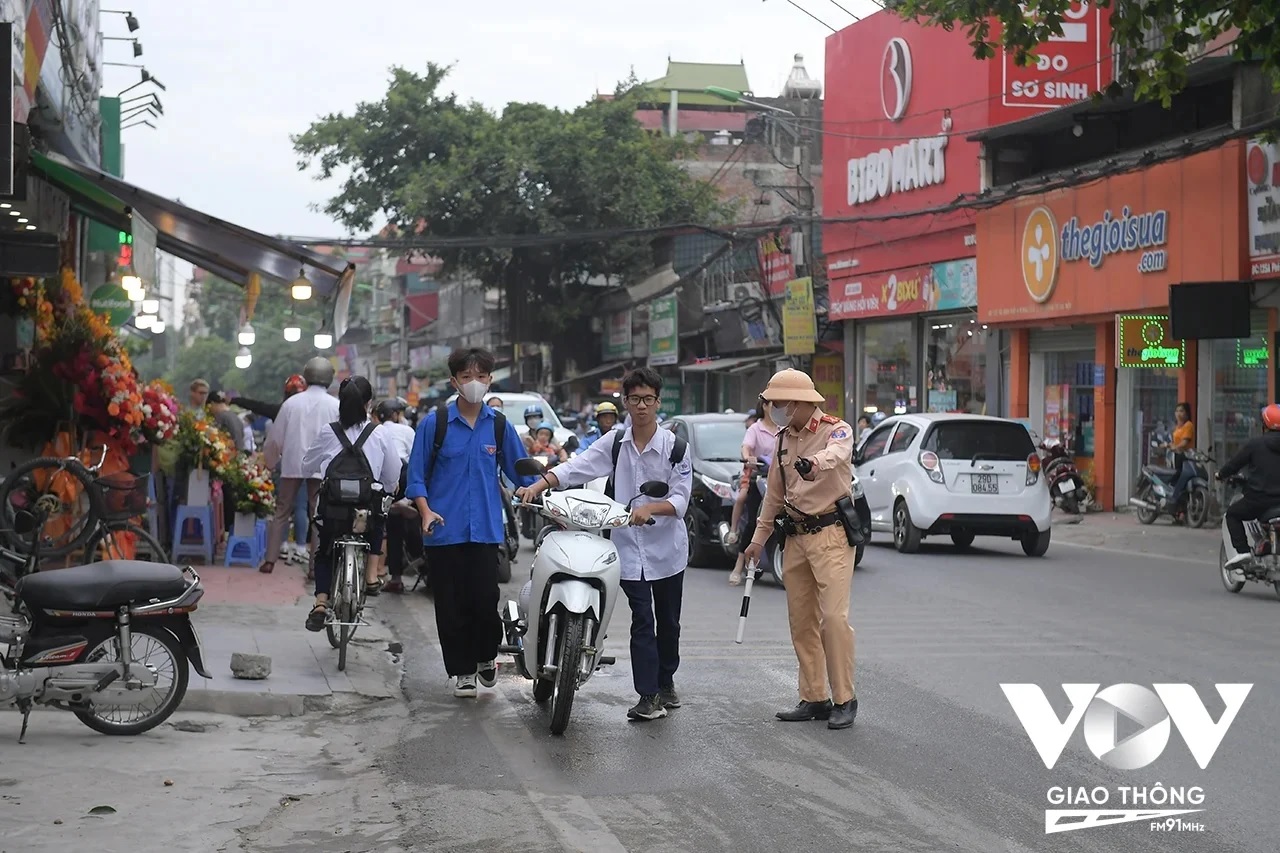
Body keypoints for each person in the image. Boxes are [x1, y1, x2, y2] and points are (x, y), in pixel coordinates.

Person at [518, 367, 693, 722]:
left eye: (648, 399)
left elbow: (680, 500)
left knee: (669, 622)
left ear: (658, 402)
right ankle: (648, 695)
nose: (641, 406)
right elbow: (578, 467)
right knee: (642, 619)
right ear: (625, 403)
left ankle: (666, 679)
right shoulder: (614, 442)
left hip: (667, 550)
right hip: (627, 548)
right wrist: (539, 485)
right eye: (634, 399)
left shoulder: (676, 448)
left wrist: (650, 509)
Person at [406, 348, 532, 698]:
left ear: (490, 380)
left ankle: (485, 656)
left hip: (486, 529)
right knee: (450, 604)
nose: (474, 383)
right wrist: (425, 510)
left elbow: (518, 470)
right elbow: (416, 476)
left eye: (481, 376)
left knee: (484, 599)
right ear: (454, 381)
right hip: (443, 529)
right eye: (466, 377)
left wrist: (537, 488)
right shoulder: (436, 423)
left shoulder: (500, 425)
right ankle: (463, 670)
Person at [744, 368, 859, 731]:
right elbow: (774, 496)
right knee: (802, 621)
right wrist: (757, 540)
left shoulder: (835, 429)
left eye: (780, 403)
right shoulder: (781, 440)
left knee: (834, 620)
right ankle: (814, 697)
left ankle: (845, 699)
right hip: (794, 537)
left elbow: (837, 454)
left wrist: (814, 464)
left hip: (831, 534)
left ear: (800, 403)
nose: (774, 409)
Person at [301, 376, 402, 629]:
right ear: (369, 403)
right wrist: (389, 488)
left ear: (340, 402)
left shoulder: (329, 431)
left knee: (324, 550)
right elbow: (392, 473)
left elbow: (307, 465)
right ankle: (370, 575)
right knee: (380, 518)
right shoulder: (379, 433)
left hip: (333, 510)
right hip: (366, 512)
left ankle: (321, 601)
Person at [261, 357, 340, 576]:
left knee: (282, 511)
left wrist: (270, 461)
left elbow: (275, 438)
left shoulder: (291, 403)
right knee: (317, 513)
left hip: (292, 462)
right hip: (321, 465)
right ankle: (315, 566)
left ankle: (269, 560)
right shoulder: (335, 405)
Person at [1217, 404, 1280, 567]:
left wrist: (1220, 474)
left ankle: (1243, 551)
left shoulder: (1256, 444)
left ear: (1264, 425)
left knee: (1232, 514)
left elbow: (1234, 464)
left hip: (1259, 500)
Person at [728, 398, 778, 585]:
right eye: (774, 405)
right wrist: (748, 457)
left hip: (779, 481)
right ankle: (738, 565)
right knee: (752, 521)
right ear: (764, 406)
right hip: (756, 477)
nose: (777, 409)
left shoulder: (785, 428)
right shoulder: (755, 429)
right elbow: (746, 447)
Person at [1162, 401, 1196, 509]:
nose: (1178, 413)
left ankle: (1176, 500)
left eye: (1181, 411)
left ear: (1186, 413)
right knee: (1174, 478)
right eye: (1176, 411)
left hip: (1185, 456)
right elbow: (1175, 443)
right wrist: (1168, 445)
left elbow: (1184, 442)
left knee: (1182, 478)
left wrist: (1175, 447)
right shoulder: (1177, 427)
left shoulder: (1188, 425)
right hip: (1175, 457)